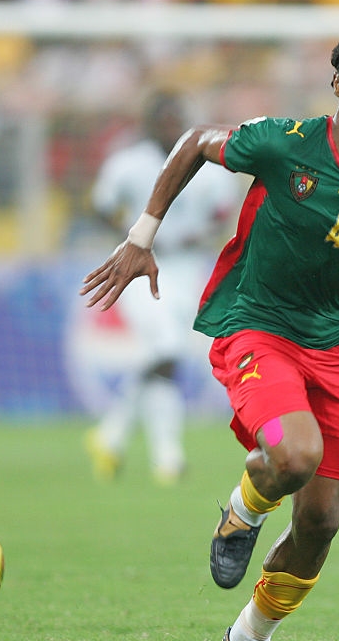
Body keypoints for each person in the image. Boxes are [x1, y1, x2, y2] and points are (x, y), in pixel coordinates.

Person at [80, 28, 339, 641]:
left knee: (321, 523)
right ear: (336, 84)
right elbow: (195, 142)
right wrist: (142, 236)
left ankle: (247, 640)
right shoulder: (285, 143)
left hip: (335, 343)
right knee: (295, 455)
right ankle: (244, 513)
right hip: (256, 324)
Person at [84, 91, 241, 486]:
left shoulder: (209, 165)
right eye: (164, 120)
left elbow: (221, 216)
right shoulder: (128, 164)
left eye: (177, 119)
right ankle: (168, 456)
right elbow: (102, 206)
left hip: (188, 269)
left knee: (165, 353)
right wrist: (132, 238)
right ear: (150, 123)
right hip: (138, 268)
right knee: (167, 349)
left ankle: (111, 435)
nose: (171, 126)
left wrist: (195, 236)